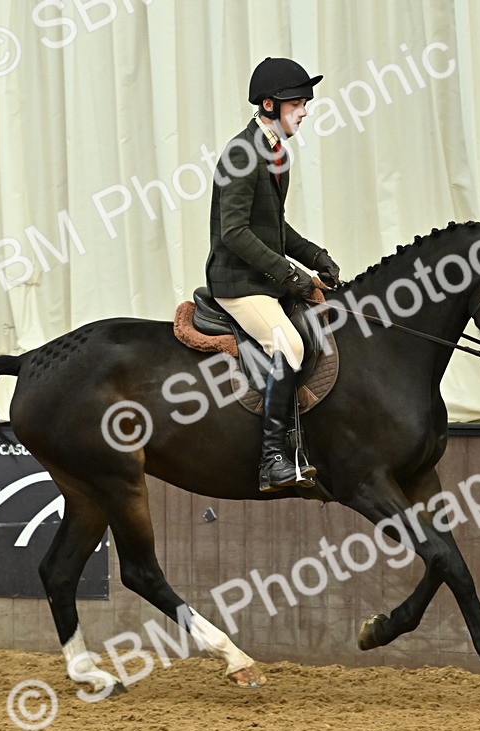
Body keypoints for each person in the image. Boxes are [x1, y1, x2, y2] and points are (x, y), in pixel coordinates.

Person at [205, 57, 341, 493]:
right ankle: (273, 459)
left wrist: (315, 257)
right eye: (298, 103)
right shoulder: (242, 153)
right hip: (237, 284)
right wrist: (291, 276)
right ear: (269, 104)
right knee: (289, 344)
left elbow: (274, 227)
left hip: (261, 279)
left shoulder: (275, 151)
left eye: (305, 103)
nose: (304, 111)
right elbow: (235, 232)